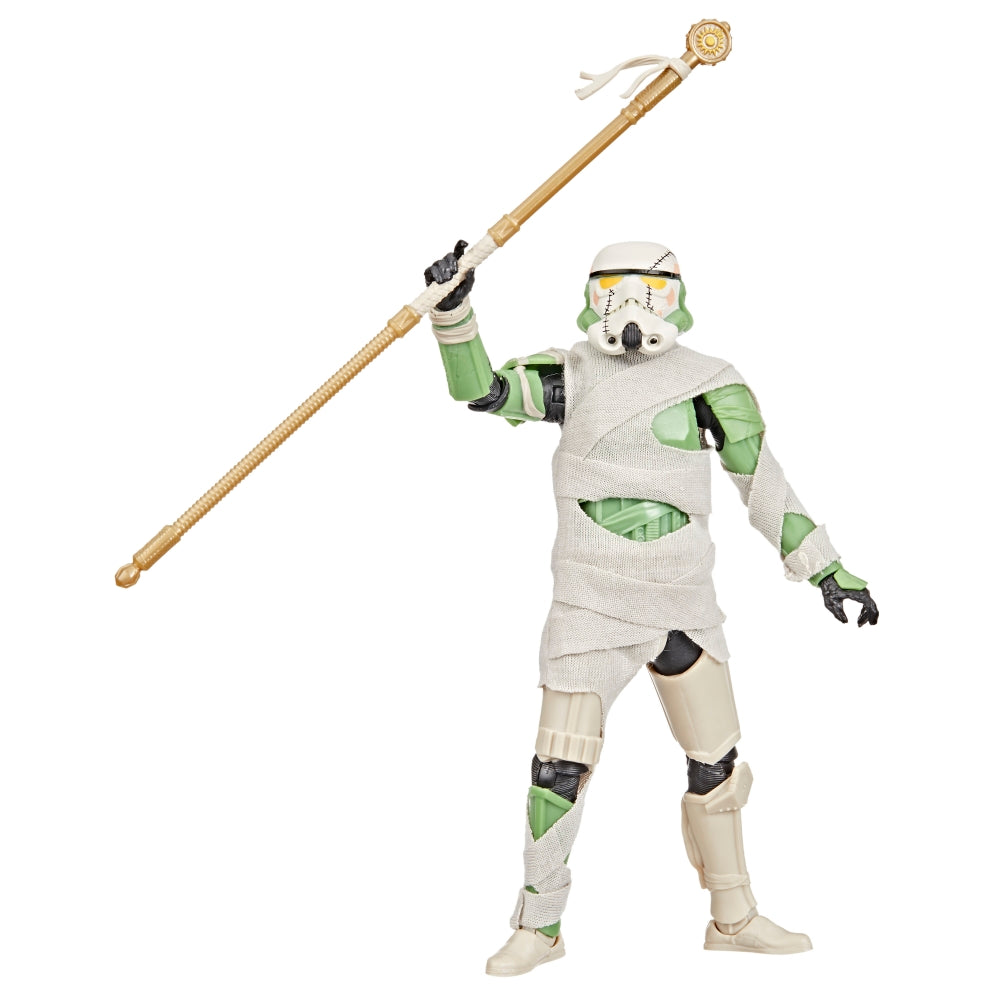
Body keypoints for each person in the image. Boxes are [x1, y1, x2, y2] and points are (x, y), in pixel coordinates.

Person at [424, 240, 878, 976]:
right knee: (558, 768)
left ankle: (734, 917)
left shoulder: (709, 383)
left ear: (677, 296)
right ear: (590, 296)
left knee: (717, 763)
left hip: (682, 601)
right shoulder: (571, 374)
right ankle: (540, 927)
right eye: (612, 289)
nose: (630, 306)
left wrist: (826, 569)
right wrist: (454, 315)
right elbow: (486, 392)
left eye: (649, 289)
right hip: (589, 599)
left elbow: (762, 482)